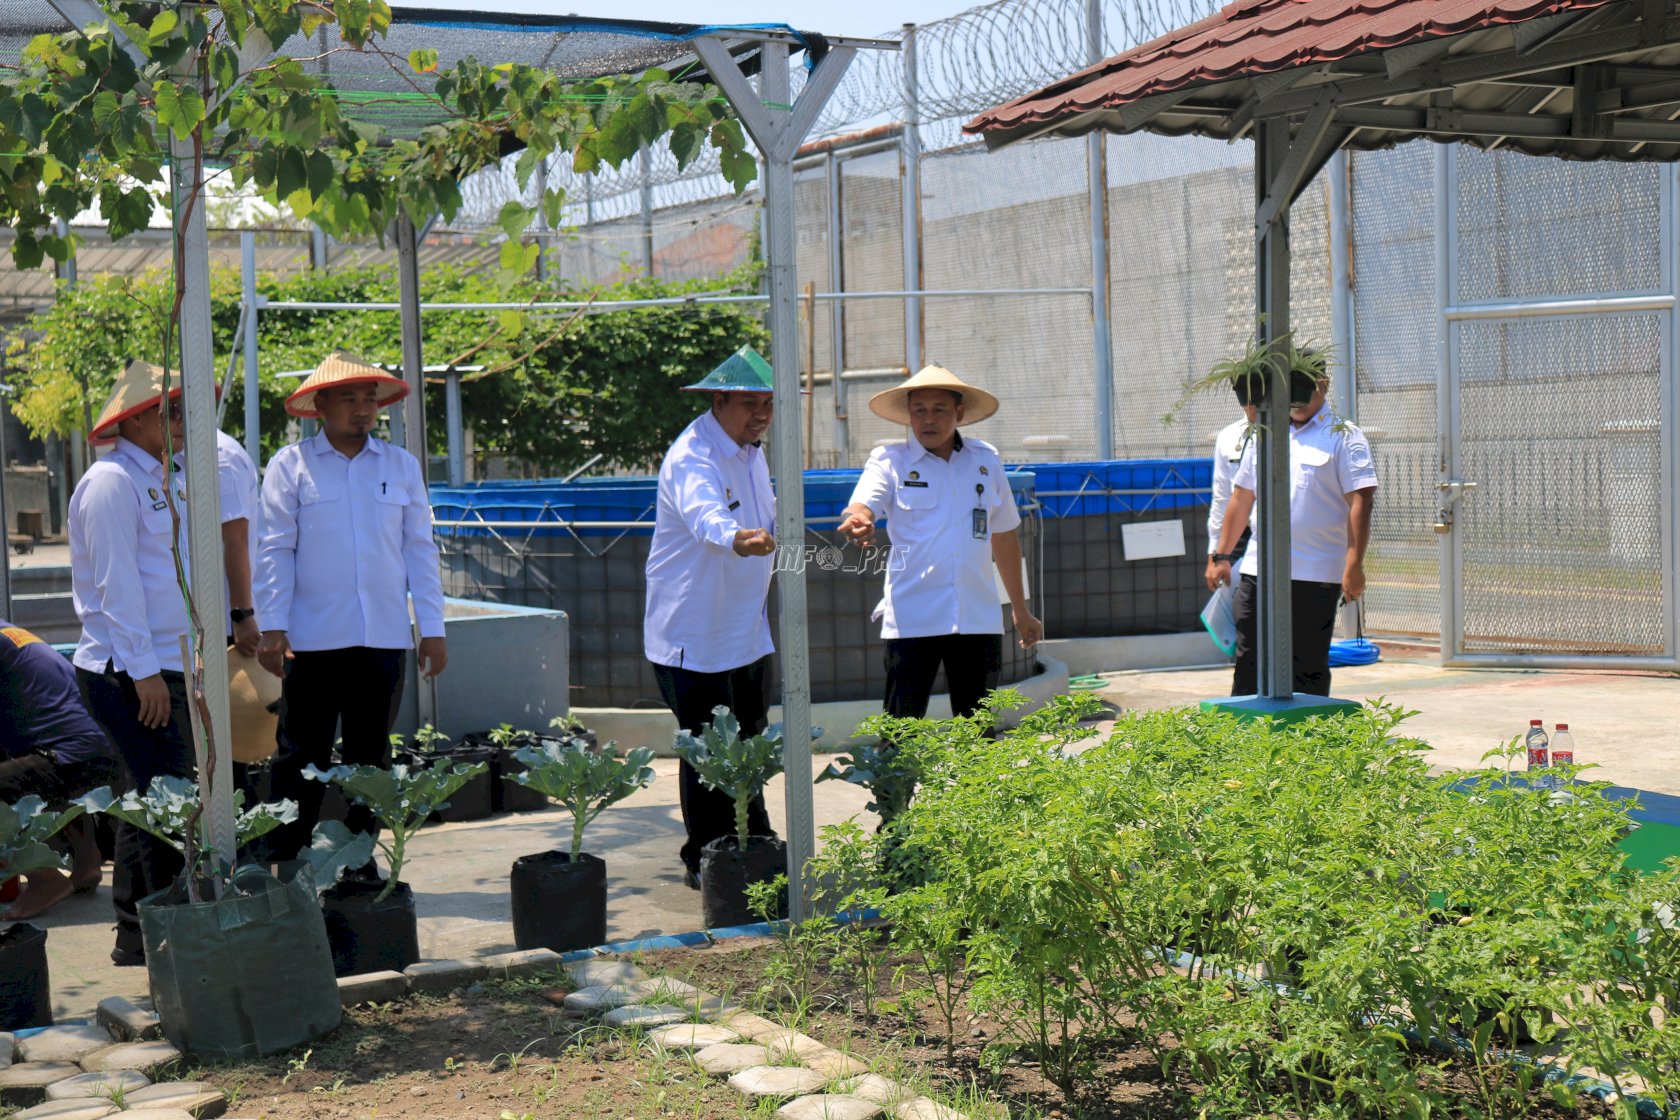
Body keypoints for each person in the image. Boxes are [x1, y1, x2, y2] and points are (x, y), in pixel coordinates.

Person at [255, 351, 448, 863]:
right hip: (311, 644)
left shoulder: (400, 466)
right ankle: (284, 864)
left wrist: (432, 627)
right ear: (319, 405)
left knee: (370, 761)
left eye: (370, 400)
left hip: (382, 640)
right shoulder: (290, 467)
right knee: (301, 757)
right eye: (349, 399)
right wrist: (272, 625)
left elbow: (420, 550)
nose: (363, 410)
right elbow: (274, 548)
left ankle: (359, 864)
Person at [69, 360, 196, 965]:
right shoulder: (112, 482)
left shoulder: (164, 478)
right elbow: (117, 588)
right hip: (127, 670)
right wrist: (145, 671)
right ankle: (145, 933)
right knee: (157, 797)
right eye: (170, 410)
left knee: (154, 796)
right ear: (137, 417)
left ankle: (141, 931)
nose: (179, 421)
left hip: (160, 663)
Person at [837, 365, 1042, 725]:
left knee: (979, 734)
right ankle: (895, 785)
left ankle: (975, 785)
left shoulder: (985, 461)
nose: (927, 420)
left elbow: (1005, 534)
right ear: (908, 415)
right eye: (919, 410)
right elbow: (862, 503)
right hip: (913, 617)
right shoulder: (889, 462)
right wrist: (858, 518)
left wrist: (1020, 610)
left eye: (939, 410)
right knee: (901, 732)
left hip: (977, 618)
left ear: (959, 413)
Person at [644, 346, 779, 890]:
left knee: (750, 744)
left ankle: (755, 844)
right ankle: (705, 858)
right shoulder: (692, 454)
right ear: (719, 400)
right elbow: (706, 514)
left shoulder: (754, 454)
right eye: (750, 403)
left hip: (745, 630)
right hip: (691, 634)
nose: (761, 415)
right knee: (705, 754)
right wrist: (735, 536)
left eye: (767, 404)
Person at [1206, 357, 1378, 697]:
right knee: (1249, 661)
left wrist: (1354, 565)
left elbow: (1361, 502)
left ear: (1323, 384)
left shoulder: (1343, 435)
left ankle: (1308, 744)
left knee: (1307, 666)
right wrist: (1220, 554)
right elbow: (1242, 497)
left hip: (1316, 573)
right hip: (1260, 569)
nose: (1296, 402)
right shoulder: (1267, 434)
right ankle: (1242, 742)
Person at [0, 619, 121, 920]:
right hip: (103, 752)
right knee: (31, 769)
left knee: (24, 777)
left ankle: (45, 880)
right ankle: (86, 865)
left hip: (71, 756)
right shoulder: (9, 634)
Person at [1207, 380, 1259, 568]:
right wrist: (1215, 552)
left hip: (1270, 532)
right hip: (1237, 536)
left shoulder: (1291, 433)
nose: (1251, 407)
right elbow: (1221, 496)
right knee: (1227, 594)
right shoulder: (1228, 436)